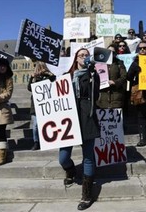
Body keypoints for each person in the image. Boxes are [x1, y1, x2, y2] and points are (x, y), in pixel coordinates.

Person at [59, 48, 100, 210]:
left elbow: (95, 94)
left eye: (86, 55)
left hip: (86, 117)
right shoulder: (67, 76)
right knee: (63, 157)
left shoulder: (92, 75)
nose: (84, 57)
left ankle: (87, 194)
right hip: (68, 118)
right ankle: (71, 171)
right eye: (80, 55)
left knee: (88, 156)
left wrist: (92, 73)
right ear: (75, 59)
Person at [27, 59, 56, 150]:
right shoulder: (35, 78)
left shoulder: (48, 76)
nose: (40, 69)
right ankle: (36, 142)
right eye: (39, 67)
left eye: (42, 67)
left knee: (47, 123)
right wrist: (32, 77)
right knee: (35, 125)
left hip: (46, 104)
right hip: (35, 105)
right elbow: (29, 88)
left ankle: (47, 140)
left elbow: (54, 81)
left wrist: (47, 74)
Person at [96, 44, 127, 109]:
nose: (110, 53)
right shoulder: (99, 63)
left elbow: (124, 77)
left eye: (112, 52)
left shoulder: (119, 63)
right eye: (108, 51)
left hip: (115, 96)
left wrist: (115, 82)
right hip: (102, 97)